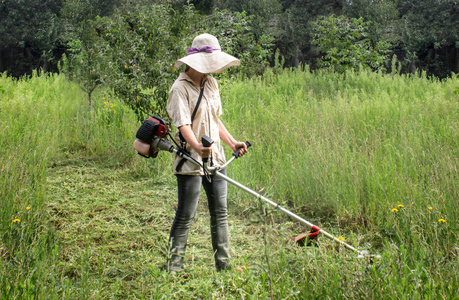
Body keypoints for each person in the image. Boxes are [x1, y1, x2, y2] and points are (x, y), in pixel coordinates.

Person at [165, 33, 248, 272]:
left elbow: (215, 119)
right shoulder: (180, 88)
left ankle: (224, 265)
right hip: (191, 160)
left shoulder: (211, 83)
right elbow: (183, 125)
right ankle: (174, 266)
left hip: (216, 158)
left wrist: (232, 143)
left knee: (220, 213)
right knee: (185, 215)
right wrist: (197, 147)